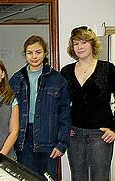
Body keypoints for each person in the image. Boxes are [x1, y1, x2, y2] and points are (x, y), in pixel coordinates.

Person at [9, 35, 71, 180]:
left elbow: (65, 113)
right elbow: (8, 112)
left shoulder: (57, 78)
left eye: (38, 52)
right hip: (23, 139)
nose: (34, 56)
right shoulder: (16, 79)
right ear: (25, 55)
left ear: (45, 53)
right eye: (30, 53)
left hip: (48, 138)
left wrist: (62, 144)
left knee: (48, 178)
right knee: (26, 178)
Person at [61, 26, 115, 181]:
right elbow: (60, 105)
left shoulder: (107, 69)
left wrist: (114, 129)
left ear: (92, 44)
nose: (79, 47)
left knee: (100, 177)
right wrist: (65, 128)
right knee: (78, 177)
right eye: (75, 43)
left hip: (101, 135)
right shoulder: (66, 71)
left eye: (83, 42)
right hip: (74, 134)